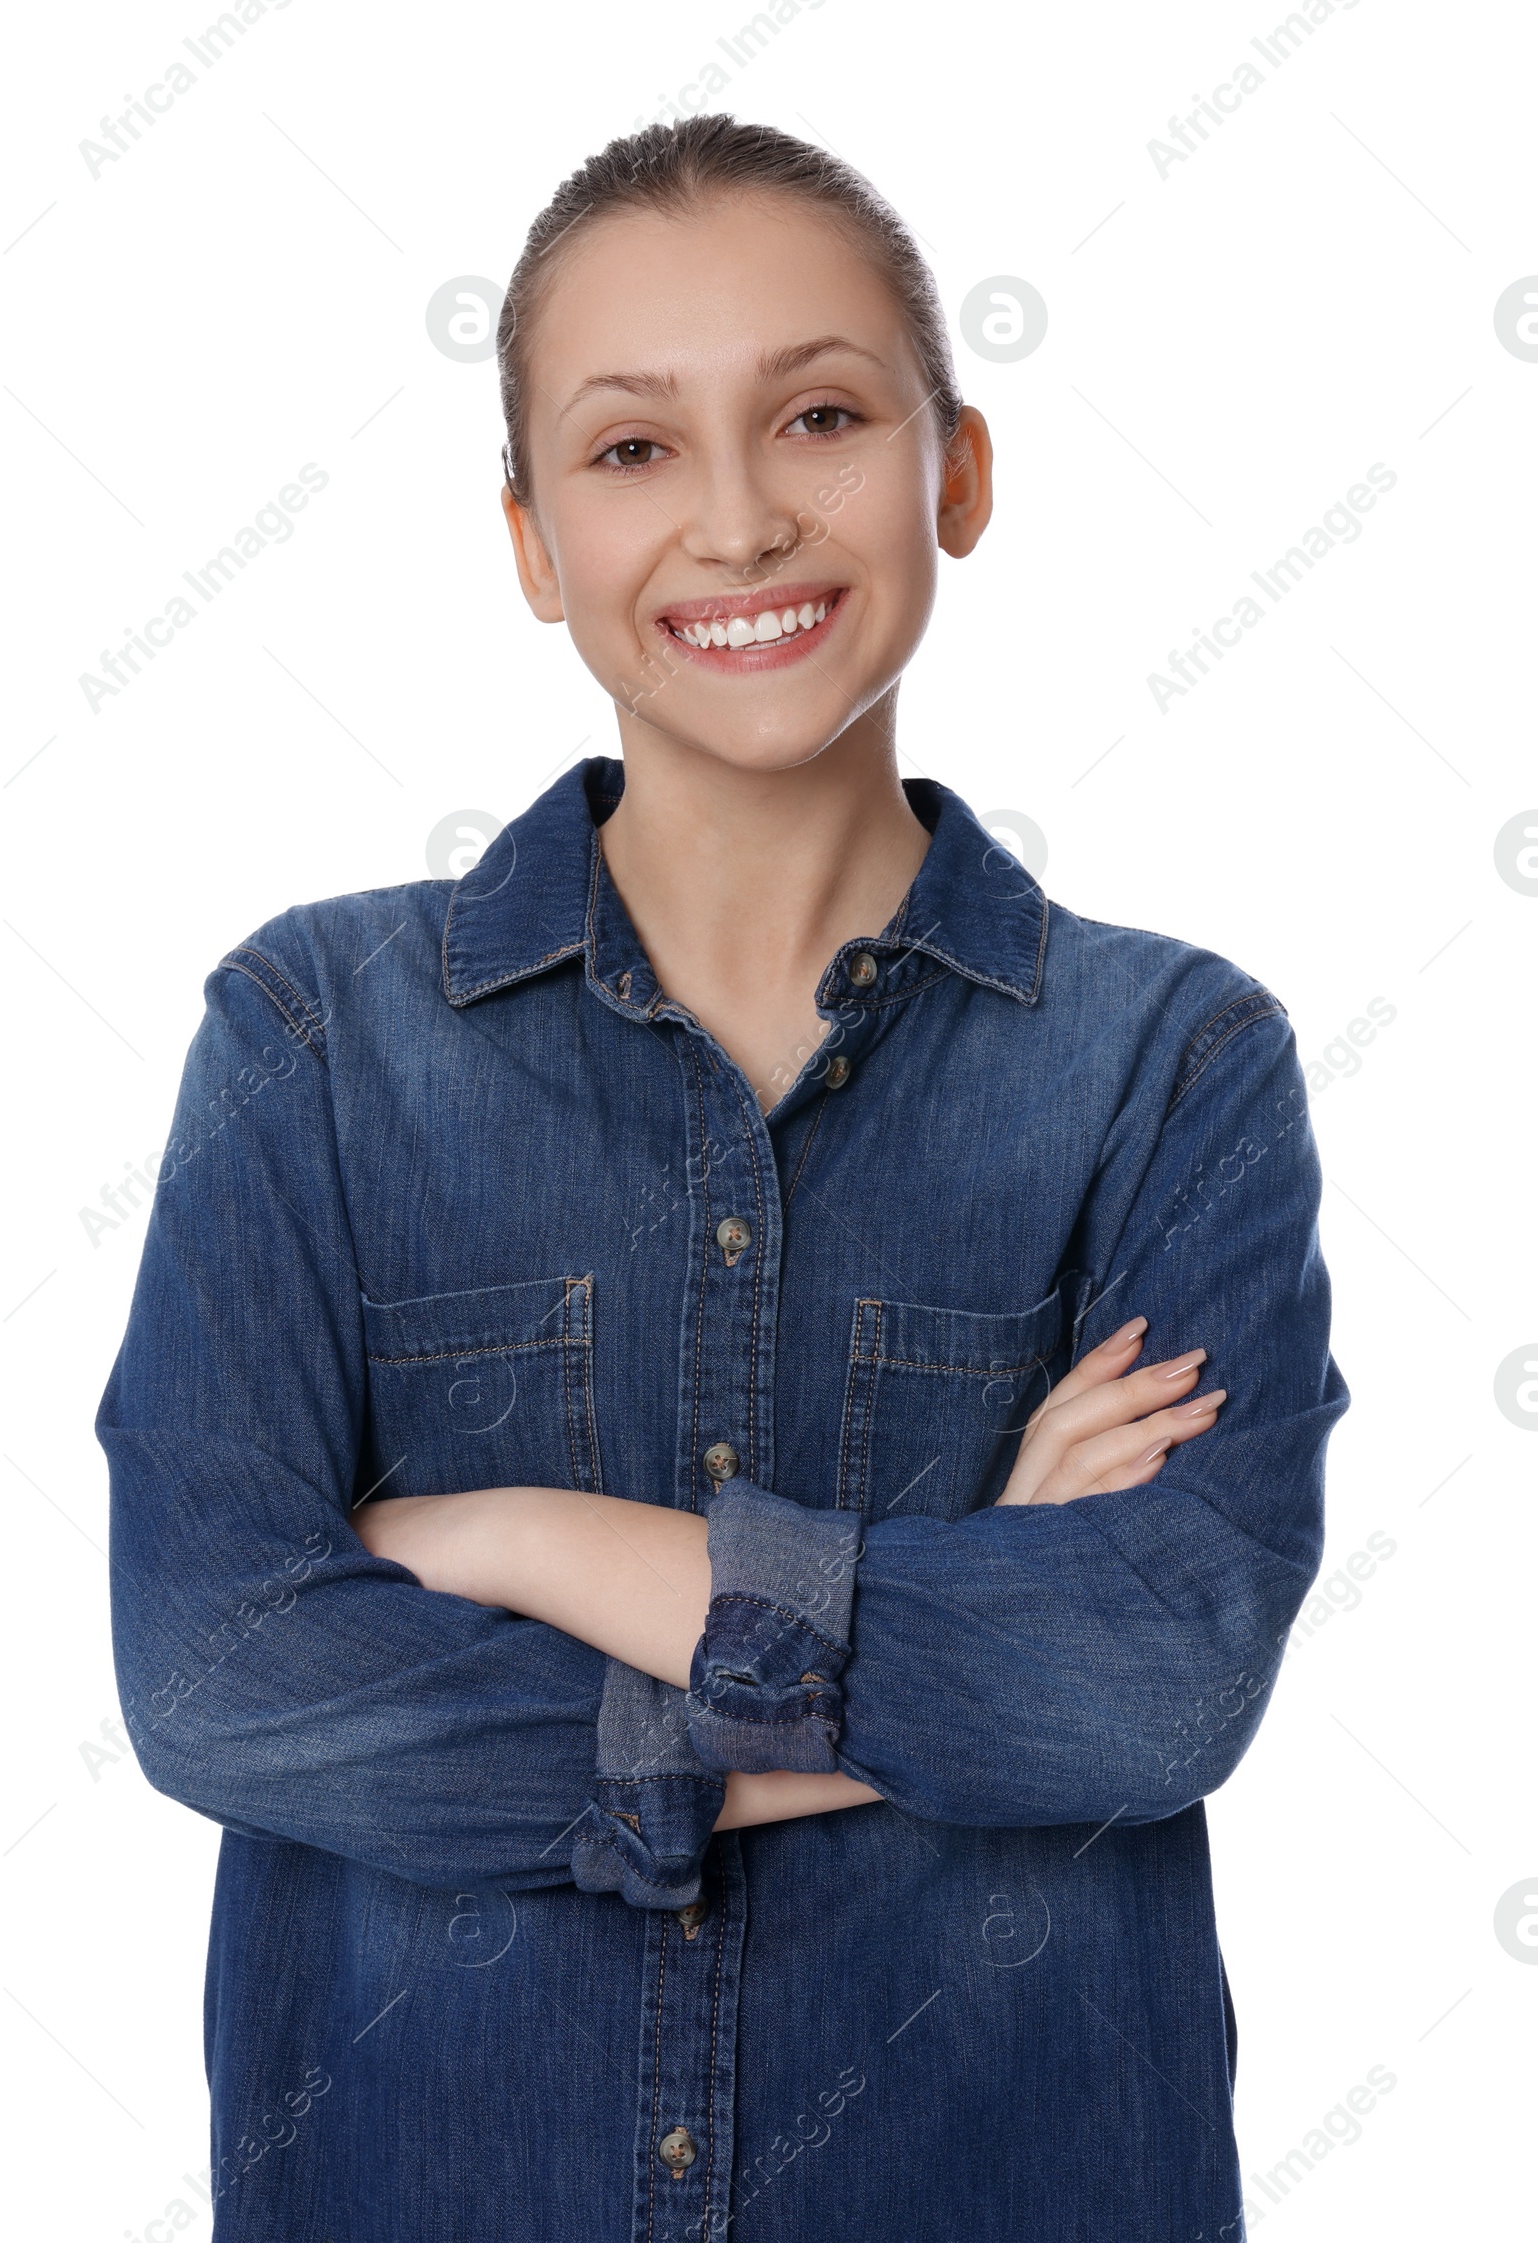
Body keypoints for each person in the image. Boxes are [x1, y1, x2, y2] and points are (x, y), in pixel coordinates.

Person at [97, 113, 1349, 2242]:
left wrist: (506, 1535)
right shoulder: (311, 1041)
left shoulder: (1166, 1063)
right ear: (528, 541)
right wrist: (938, 1652)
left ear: (953, 469)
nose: (744, 519)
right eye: (630, 451)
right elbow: (224, 1676)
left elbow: (1151, 1683)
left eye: (821, 415)